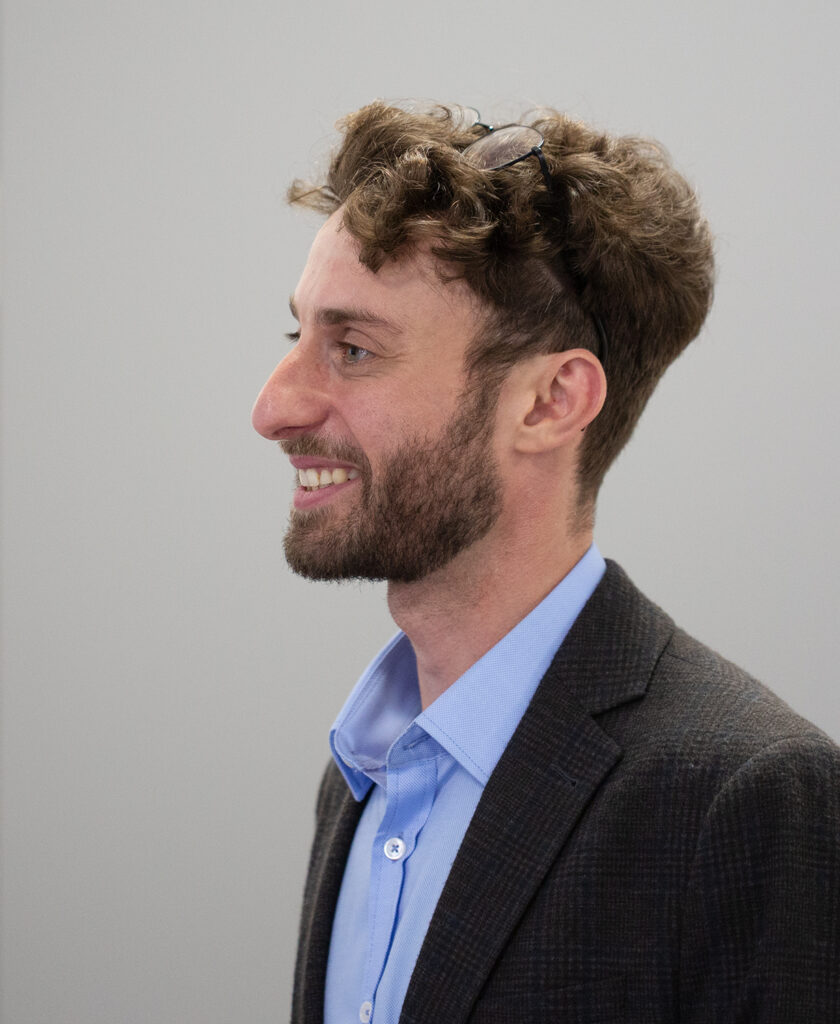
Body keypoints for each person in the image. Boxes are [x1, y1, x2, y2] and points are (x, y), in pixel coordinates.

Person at [251, 101, 840, 1023]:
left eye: (353, 349)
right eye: (300, 338)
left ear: (551, 402)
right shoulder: (364, 772)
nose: (273, 408)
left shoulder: (746, 799)